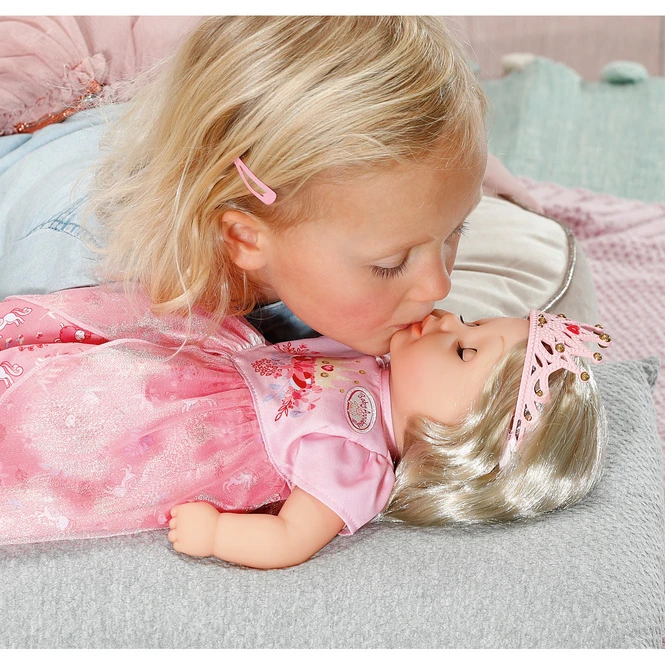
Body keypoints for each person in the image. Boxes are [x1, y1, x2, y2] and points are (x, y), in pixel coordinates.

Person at [0, 284, 610, 569]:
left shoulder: (360, 462)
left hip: (194, 437)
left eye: (463, 350)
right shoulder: (377, 358)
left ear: (456, 441)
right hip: (207, 368)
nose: (450, 320)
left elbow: (292, 537)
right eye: (472, 322)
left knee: (76, 426)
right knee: (98, 357)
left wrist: (218, 534)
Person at [78, 15, 533, 356]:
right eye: (390, 264)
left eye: (458, 230)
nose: (438, 286)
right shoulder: (105, 309)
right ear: (244, 237)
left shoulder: (324, 230)